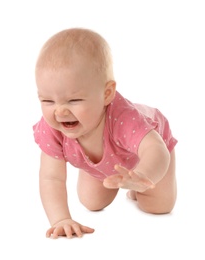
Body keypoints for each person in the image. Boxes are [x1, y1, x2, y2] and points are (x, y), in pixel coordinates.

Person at [33, 27, 178, 239]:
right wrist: (61, 220)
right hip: (111, 162)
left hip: (149, 151)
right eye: (47, 100)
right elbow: (51, 178)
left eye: (74, 100)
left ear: (107, 94)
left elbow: (155, 149)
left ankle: (135, 188)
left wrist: (143, 175)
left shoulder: (125, 119)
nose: (60, 111)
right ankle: (106, 171)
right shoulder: (53, 127)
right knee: (91, 202)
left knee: (158, 206)